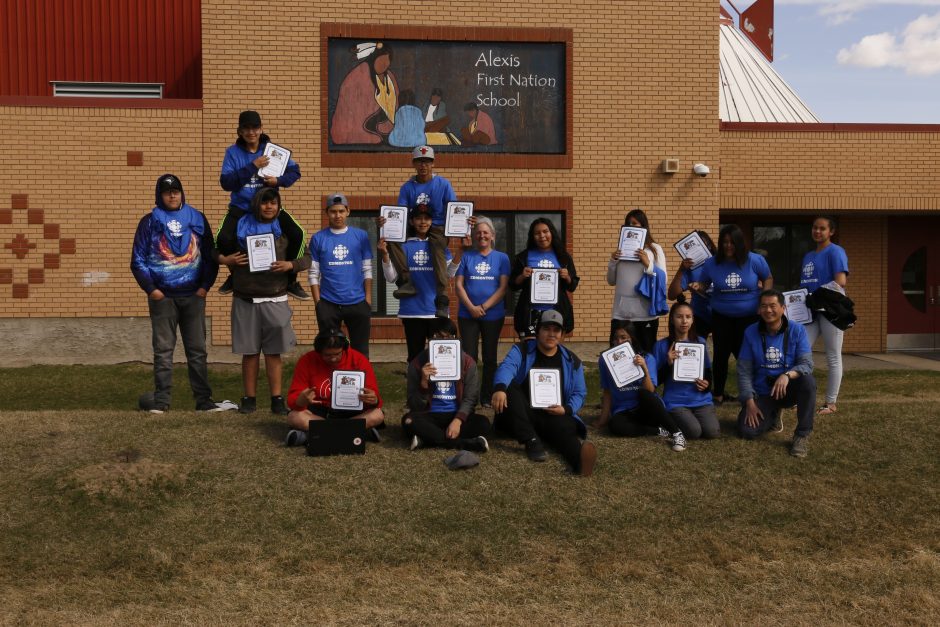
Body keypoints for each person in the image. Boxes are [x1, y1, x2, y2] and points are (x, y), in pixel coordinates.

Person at [131, 174, 232, 413]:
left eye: (176, 190)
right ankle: (162, 402)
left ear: (182, 192)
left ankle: (204, 401)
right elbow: (138, 260)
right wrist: (152, 290)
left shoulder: (196, 218)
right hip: (163, 298)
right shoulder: (149, 222)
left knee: (197, 351)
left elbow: (209, 255)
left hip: (193, 297)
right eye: (167, 192)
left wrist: (204, 287)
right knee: (163, 351)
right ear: (160, 195)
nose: (172, 195)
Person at [216, 187, 311, 415]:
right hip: (245, 298)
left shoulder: (285, 229)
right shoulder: (241, 226)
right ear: (256, 204)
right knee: (249, 353)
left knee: (273, 353)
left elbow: (306, 256)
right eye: (264, 202)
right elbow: (215, 249)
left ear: (279, 206)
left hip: (275, 297)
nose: (269, 207)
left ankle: (276, 399)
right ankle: (249, 398)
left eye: (273, 203)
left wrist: (291, 266)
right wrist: (225, 260)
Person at [491, 310, 597, 476]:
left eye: (556, 330)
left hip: (553, 414)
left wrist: (566, 410)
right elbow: (507, 367)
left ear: (562, 335)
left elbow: (579, 393)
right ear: (538, 331)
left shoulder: (572, 360)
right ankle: (531, 440)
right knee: (509, 386)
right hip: (523, 414)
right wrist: (499, 389)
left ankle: (580, 462)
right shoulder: (522, 349)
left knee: (565, 432)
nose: (551, 334)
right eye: (547, 329)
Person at [217, 110, 307, 300]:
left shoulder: (273, 151)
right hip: (241, 208)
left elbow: (295, 172)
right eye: (246, 128)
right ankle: (234, 275)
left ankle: (291, 280)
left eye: (255, 128)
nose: (251, 132)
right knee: (223, 239)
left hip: (269, 208)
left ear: (261, 129)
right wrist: (253, 166)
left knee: (298, 234)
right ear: (240, 131)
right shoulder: (232, 153)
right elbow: (227, 183)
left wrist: (278, 181)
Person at [698, 224, 773, 404]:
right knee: (720, 356)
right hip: (721, 316)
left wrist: (763, 300)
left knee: (746, 355)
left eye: (732, 242)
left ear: (739, 243)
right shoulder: (711, 263)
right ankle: (718, 394)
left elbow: (768, 278)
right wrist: (697, 287)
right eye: (724, 242)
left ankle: (753, 391)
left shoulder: (755, 260)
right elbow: (704, 285)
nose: (728, 246)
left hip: (749, 318)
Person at [737, 290, 816, 457]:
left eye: (773, 306)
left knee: (808, 382)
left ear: (783, 308)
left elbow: (807, 364)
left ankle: (802, 435)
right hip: (763, 391)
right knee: (747, 432)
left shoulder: (797, 330)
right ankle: (773, 416)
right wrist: (749, 402)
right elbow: (744, 371)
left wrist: (787, 375)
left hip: (788, 389)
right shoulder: (750, 332)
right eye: (763, 306)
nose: (768, 310)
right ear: (758, 310)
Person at [378, 202, 461, 361]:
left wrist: (461, 251)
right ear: (411, 221)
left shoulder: (439, 246)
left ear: (431, 221)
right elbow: (391, 278)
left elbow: (449, 274)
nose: (423, 222)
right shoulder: (403, 246)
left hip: (436, 311)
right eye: (418, 218)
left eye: (427, 218)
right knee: (415, 358)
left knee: (439, 359)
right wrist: (384, 255)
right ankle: (415, 385)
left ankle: (436, 387)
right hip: (411, 311)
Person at [386, 145, 457, 317]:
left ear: (433, 164)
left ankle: (441, 298)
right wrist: (387, 222)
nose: (423, 165)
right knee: (391, 238)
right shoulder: (407, 187)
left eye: (426, 162)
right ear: (414, 164)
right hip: (414, 222)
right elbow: (401, 212)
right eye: (419, 162)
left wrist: (464, 222)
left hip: (437, 226)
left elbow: (454, 208)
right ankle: (406, 281)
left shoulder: (443, 184)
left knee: (437, 247)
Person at [283, 328, 385, 446]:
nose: (333, 358)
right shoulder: (307, 360)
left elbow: (377, 400)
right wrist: (301, 400)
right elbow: (292, 400)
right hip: (318, 412)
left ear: (344, 348)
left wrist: (373, 399)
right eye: (327, 355)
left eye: (337, 354)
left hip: (351, 412)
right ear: (319, 351)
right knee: (294, 417)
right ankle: (356, 432)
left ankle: (311, 435)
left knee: (377, 415)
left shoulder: (358, 359)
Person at [403, 318, 490, 453]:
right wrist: (424, 383)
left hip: (456, 413)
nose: (443, 341)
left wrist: (458, 421)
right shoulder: (417, 364)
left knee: (483, 423)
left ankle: (426, 440)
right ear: (429, 339)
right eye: (437, 336)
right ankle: (466, 443)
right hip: (429, 414)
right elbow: (414, 405)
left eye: (449, 336)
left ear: (456, 338)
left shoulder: (467, 362)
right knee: (408, 421)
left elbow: (471, 399)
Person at [597, 321, 687, 451]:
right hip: (623, 411)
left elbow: (650, 390)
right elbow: (607, 391)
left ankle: (676, 433)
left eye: (623, 337)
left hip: (646, 409)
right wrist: (602, 420)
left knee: (644, 393)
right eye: (616, 338)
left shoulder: (647, 358)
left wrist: (644, 367)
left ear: (632, 339)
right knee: (615, 426)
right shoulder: (606, 360)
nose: (619, 341)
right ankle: (656, 431)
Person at [308, 193, 373, 356]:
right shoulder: (318, 238)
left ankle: (362, 380)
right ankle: (330, 380)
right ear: (327, 213)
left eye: (341, 211)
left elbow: (367, 270)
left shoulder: (361, 236)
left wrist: (368, 300)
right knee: (330, 350)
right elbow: (313, 273)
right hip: (328, 303)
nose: (337, 215)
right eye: (333, 211)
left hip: (358, 302)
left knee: (361, 351)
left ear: (348, 211)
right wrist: (318, 303)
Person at [455, 216, 510, 405]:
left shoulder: (502, 258)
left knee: (489, 357)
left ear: (493, 236)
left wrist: (483, 307)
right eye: (478, 233)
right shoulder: (466, 256)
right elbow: (458, 285)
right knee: (469, 357)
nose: (482, 236)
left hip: (493, 315)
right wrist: (471, 307)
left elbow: (503, 288)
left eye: (486, 232)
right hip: (467, 314)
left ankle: (486, 396)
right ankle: (469, 397)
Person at [800, 215, 849, 415]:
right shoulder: (808, 256)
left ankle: (830, 403)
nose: (817, 232)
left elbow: (841, 281)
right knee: (801, 352)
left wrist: (817, 295)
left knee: (833, 356)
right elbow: (804, 286)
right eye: (814, 228)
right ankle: (800, 396)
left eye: (822, 228)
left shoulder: (836, 251)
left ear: (831, 232)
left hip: (831, 309)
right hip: (810, 311)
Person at [652, 298, 720, 440]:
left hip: (700, 399)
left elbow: (707, 371)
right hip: (676, 401)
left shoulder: (700, 342)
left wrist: (706, 385)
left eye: (688, 317)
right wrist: (668, 363)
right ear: (672, 320)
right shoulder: (661, 346)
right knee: (694, 432)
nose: (684, 321)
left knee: (712, 432)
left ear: (693, 320)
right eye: (679, 317)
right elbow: (655, 382)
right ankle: (669, 421)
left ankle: (693, 416)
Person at [607, 209, 668, 352]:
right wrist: (613, 261)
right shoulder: (621, 249)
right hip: (621, 314)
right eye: (628, 223)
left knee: (646, 353)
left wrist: (648, 264)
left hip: (645, 315)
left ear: (643, 226)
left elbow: (662, 279)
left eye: (635, 223)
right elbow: (611, 281)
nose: (631, 226)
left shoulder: (654, 249)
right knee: (619, 354)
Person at [509, 218, 579, 338]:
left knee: (552, 350)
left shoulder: (563, 257)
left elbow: (572, 286)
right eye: (537, 233)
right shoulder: (523, 257)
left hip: (556, 312)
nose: (542, 236)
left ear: (551, 232)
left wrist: (566, 277)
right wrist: (522, 276)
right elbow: (512, 285)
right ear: (532, 236)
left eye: (545, 231)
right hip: (530, 313)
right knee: (529, 351)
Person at [330, 42, 398, 144]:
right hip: (358, 129)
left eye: (388, 59)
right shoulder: (358, 76)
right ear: (373, 58)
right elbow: (355, 112)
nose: (386, 63)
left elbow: (396, 102)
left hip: (386, 128)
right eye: (382, 59)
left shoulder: (389, 76)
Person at [667, 230, 717, 340]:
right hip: (699, 315)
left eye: (703, 244)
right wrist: (681, 269)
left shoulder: (720, 263)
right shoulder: (691, 268)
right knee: (694, 346)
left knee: (720, 352)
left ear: (708, 245)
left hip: (719, 313)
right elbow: (671, 294)